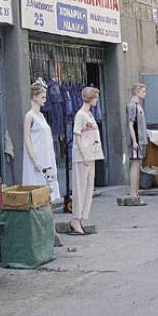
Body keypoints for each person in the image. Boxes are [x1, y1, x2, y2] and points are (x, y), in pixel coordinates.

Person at [70, 87, 104, 235]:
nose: (96, 100)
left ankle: (83, 217)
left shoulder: (89, 114)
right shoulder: (80, 115)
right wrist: (83, 154)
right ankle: (75, 219)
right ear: (90, 98)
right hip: (83, 156)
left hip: (92, 154)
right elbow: (77, 135)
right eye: (95, 97)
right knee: (80, 187)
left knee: (89, 187)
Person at [22, 83, 61, 203]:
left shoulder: (42, 116)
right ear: (35, 96)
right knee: (37, 184)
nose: (45, 100)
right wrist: (34, 159)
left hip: (46, 156)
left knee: (48, 185)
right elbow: (27, 138)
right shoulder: (29, 116)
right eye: (42, 97)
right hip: (37, 156)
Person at [127, 83, 148, 201]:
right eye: (143, 91)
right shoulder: (132, 106)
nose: (145, 94)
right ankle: (133, 193)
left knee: (138, 164)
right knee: (135, 165)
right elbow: (131, 124)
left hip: (141, 139)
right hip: (136, 140)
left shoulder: (138, 105)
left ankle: (136, 192)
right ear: (136, 92)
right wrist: (134, 141)